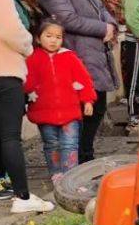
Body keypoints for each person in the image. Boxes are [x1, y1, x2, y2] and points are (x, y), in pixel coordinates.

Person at [38, 0, 118, 163]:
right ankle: (79, 160)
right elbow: (66, 19)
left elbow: (100, 6)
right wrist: (102, 28)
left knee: (98, 105)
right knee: (84, 110)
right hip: (77, 55)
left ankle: (85, 155)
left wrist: (110, 23)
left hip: (94, 53)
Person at [0, 0, 52, 212]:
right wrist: (29, 45)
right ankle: (24, 198)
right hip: (3, 72)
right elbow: (9, 30)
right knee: (9, 137)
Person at [24, 20, 96, 181]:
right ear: (38, 38)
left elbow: (84, 79)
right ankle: (57, 175)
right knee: (51, 145)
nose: (53, 40)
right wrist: (28, 93)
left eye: (58, 37)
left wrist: (88, 100)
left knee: (70, 145)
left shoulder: (69, 57)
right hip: (44, 112)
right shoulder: (32, 59)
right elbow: (27, 83)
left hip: (69, 112)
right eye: (48, 36)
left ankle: (71, 179)